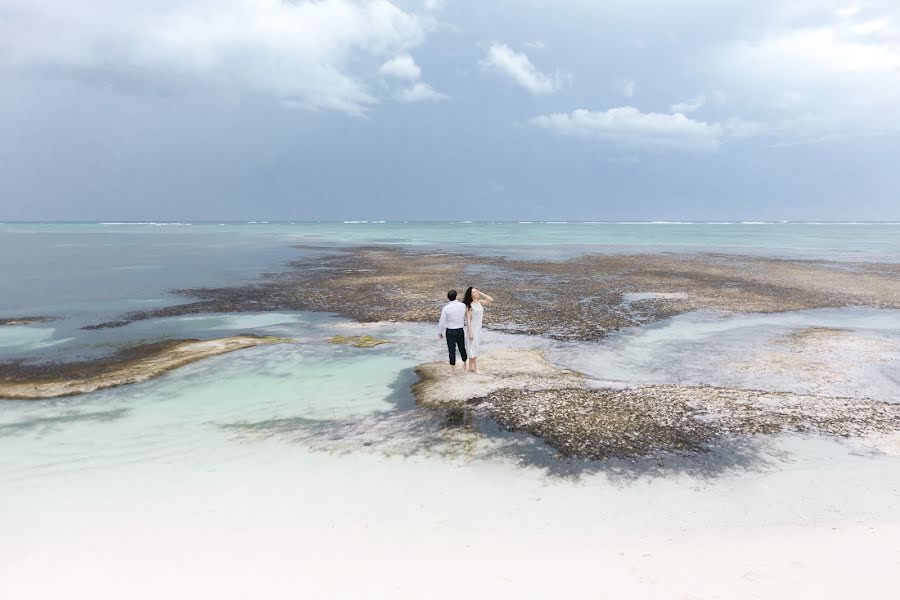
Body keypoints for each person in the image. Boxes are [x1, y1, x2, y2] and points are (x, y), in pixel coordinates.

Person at [462, 286, 494, 374]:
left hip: (478, 328)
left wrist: (480, 292)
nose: (476, 293)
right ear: (470, 295)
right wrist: (470, 332)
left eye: (476, 292)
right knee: (473, 347)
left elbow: (490, 299)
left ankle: (470, 366)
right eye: (474, 292)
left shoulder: (479, 302)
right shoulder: (469, 306)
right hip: (472, 328)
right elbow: (468, 320)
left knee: (473, 346)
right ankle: (476, 368)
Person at [438, 289, 468, 374]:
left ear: (448, 298)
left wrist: (440, 332)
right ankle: (465, 364)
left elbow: (442, 321)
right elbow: (465, 317)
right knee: (462, 347)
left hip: (450, 331)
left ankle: (452, 369)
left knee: (451, 350)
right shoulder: (462, 305)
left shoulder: (446, 308)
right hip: (460, 330)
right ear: (456, 296)